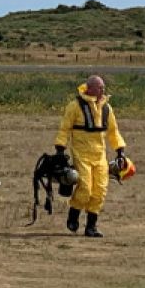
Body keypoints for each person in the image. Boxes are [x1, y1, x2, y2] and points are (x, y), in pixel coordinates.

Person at [53, 74, 127, 238]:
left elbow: (113, 132)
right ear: (90, 88)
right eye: (100, 88)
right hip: (81, 154)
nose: (103, 91)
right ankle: (73, 216)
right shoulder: (75, 106)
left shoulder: (107, 108)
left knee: (100, 190)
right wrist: (60, 149)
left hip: (100, 155)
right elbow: (64, 129)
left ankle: (91, 226)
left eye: (103, 88)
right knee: (85, 188)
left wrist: (120, 150)